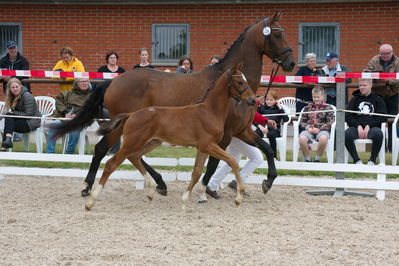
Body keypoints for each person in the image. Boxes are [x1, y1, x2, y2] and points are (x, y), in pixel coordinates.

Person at [206, 112, 276, 199]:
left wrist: (266, 120)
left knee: (232, 162)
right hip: (239, 134)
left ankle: (212, 185)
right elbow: (252, 113)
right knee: (257, 158)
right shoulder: (251, 100)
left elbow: (253, 114)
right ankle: (237, 183)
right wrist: (266, 120)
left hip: (234, 134)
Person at [364, 44, 399, 152]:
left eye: (387, 54)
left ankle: (392, 148)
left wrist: (387, 81)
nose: (384, 56)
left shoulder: (398, 62)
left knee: (392, 122)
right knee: (378, 121)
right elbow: (366, 73)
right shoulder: (374, 60)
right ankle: (380, 147)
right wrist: (375, 77)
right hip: (378, 96)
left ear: (392, 52)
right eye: (382, 54)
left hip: (393, 95)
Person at [345, 78, 387, 165]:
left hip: (372, 128)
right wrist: (358, 126)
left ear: (371, 85)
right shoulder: (354, 99)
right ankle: (356, 160)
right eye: (360, 85)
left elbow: (383, 117)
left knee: (378, 134)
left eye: (365, 85)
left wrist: (369, 126)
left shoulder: (378, 99)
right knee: (346, 134)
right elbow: (348, 116)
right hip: (356, 127)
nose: (362, 87)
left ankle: (372, 160)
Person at [46, 78, 91, 154]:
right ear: (76, 83)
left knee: (74, 131)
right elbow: (59, 102)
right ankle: (49, 153)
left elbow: (90, 109)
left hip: (78, 120)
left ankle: (69, 153)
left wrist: (77, 115)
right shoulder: (68, 94)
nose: (84, 83)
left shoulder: (91, 96)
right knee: (54, 125)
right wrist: (65, 112)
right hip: (64, 117)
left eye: (86, 81)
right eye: (81, 81)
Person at [0, 78, 41, 151]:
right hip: (23, 119)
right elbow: (6, 112)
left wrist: (14, 113)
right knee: (9, 118)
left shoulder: (27, 96)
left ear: (20, 86)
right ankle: (7, 140)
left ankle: (5, 145)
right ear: (9, 89)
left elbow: (29, 114)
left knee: (9, 122)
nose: (15, 89)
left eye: (16, 87)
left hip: (32, 122)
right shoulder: (12, 97)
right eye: (12, 87)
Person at [298, 86, 335, 162]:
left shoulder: (328, 108)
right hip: (309, 130)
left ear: (323, 97)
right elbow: (302, 121)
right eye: (314, 97)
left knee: (323, 139)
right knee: (302, 139)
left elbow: (330, 122)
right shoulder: (308, 108)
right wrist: (308, 127)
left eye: (318, 97)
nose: (316, 99)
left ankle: (317, 158)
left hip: (322, 130)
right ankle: (307, 159)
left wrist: (319, 129)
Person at [257, 91, 289, 159]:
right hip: (262, 128)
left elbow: (286, 119)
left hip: (274, 130)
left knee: (271, 135)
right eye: (267, 100)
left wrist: (280, 108)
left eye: (271, 100)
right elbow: (254, 118)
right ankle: (257, 155)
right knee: (255, 135)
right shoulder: (261, 108)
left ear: (275, 100)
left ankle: (273, 156)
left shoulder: (279, 109)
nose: (269, 102)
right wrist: (260, 127)